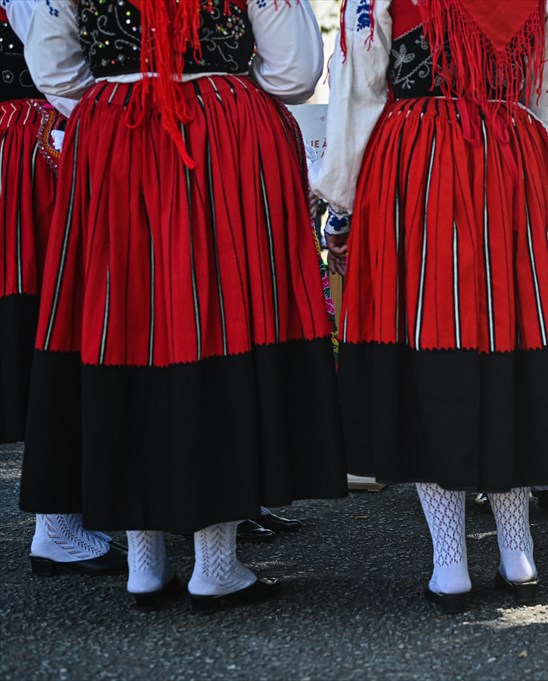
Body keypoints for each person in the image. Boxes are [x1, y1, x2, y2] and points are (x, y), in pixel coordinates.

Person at [20, 0, 346, 612]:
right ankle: (214, 567)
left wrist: (127, 92)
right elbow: (295, 72)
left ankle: (145, 565)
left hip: (115, 136)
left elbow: (56, 67)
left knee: (126, 331)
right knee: (215, 325)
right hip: (222, 138)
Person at [312, 0, 548, 613]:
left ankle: (450, 563)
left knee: (428, 346)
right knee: (509, 345)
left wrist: (342, 195)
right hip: (511, 167)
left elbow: (358, 88)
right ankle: (518, 554)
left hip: (416, 168)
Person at [1, 0, 127, 576]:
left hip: (25, 144)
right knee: (62, 322)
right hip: (41, 145)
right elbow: (57, 65)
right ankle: (60, 523)